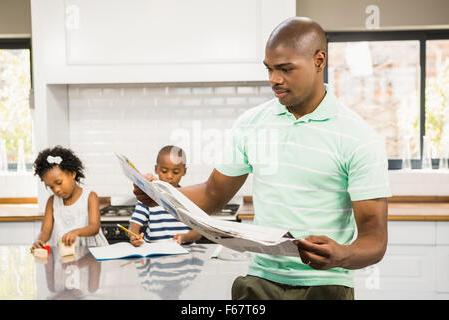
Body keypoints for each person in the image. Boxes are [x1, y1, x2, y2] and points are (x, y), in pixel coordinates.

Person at [134, 17, 391, 300]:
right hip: (259, 284)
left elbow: (374, 240)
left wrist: (342, 254)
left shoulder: (359, 137)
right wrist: (161, 193)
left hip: (325, 287)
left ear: (319, 61)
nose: (274, 80)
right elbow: (212, 194)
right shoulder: (251, 124)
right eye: (269, 69)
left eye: (285, 69)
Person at [31, 146, 108, 251]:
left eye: (59, 183)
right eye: (51, 187)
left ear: (72, 173)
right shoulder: (52, 202)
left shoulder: (90, 197)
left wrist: (76, 232)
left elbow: (94, 227)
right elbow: (45, 232)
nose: (56, 190)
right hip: (65, 255)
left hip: (92, 253)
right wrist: (39, 241)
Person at [128, 145, 201, 246]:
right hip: (155, 255)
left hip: (185, 252)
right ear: (156, 169)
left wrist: (184, 237)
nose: (169, 176)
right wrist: (134, 236)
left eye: (175, 172)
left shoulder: (189, 198)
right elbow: (134, 225)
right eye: (164, 171)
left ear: (184, 171)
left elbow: (198, 232)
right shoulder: (148, 197)